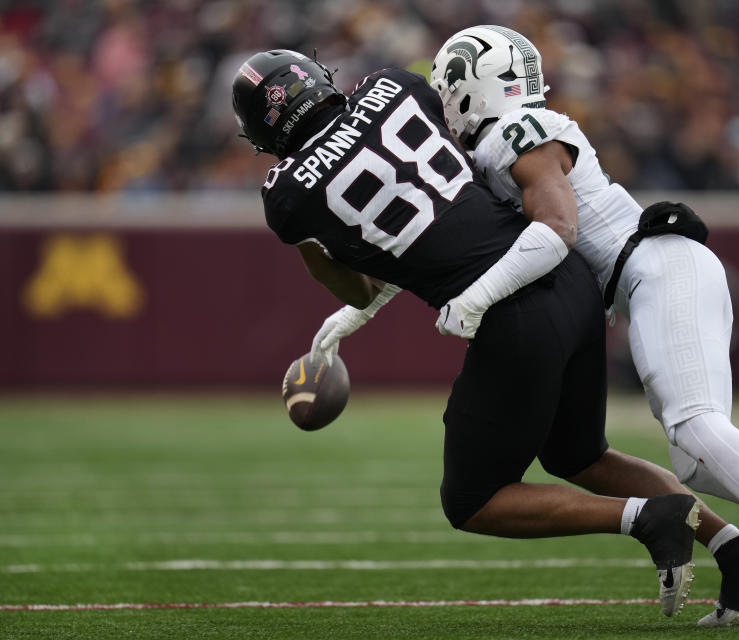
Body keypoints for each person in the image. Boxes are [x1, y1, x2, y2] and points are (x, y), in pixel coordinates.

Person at [426, 26, 739, 633]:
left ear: (475, 85)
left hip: (656, 273)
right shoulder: (512, 136)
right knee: (698, 462)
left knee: (697, 427)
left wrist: (475, 299)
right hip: (662, 274)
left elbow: (558, 232)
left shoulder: (514, 134)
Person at [231, 48, 705, 618]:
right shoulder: (393, 85)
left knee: (472, 499)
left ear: (261, 128)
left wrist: (322, 262)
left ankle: (646, 517)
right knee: (580, 455)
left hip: (510, 312)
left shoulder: (287, 196)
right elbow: (457, 192)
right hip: (566, 276)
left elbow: (360, 285)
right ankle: (738, 546)